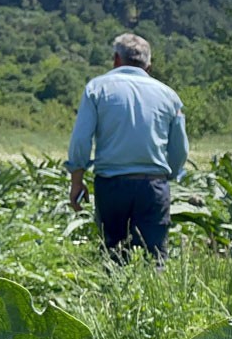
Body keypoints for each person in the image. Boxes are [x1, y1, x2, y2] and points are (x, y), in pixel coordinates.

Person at [66, 33, 189, 262]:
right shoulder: (169, 96)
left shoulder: (96, 88)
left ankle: (113, 297)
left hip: (111, 185)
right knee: (155, 259)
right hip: (153, 185)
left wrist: (76, 180)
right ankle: (155, 297)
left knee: (114, 256)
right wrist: (167, 175)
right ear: (148, 66)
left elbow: (81, 139)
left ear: (116, 59)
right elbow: (180, 148)